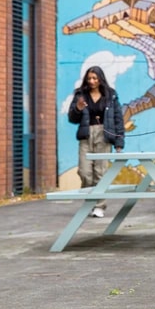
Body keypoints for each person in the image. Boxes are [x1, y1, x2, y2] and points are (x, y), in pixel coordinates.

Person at [67, 65, 125, 217]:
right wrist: (77, 109)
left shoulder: (110, 95)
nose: (92, 81)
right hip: (86, 135)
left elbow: (118, 119)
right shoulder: (80, 95)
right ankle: (89, 202)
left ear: (100, 79)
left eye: (95, 78)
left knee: (100, 172)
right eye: (89, 78)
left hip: (104, 135)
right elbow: (72, 118)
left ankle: (99, 205)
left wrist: (119, 142)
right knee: (84, 172)